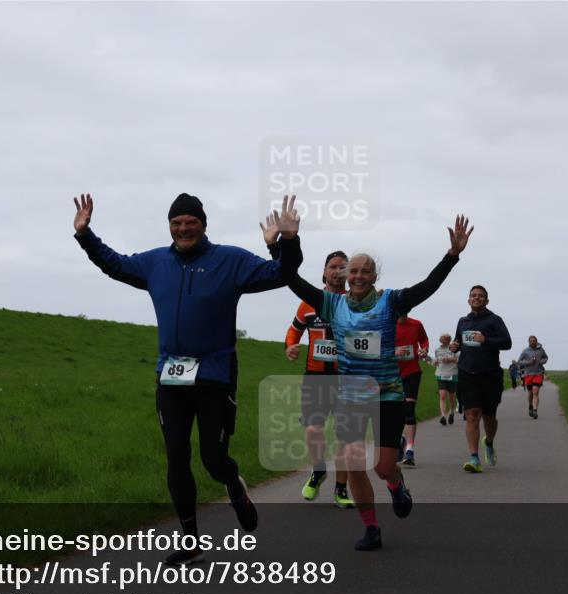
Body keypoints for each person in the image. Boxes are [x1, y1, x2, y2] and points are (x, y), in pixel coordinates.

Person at [73, 192, 303, 566]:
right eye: (176, 223)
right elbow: (114, 264)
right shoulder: (155, 263)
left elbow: (281, 274)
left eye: (190, 222)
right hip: (171, 377)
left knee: (214, 459)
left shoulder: (229, 260)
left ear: (203, 225)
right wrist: (85, 235)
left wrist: (287, 243)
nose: (183, 228)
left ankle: (233, 483)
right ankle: (190, 538)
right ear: (170, 227)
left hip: (215, 375)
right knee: (176, 457)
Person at [283, 213, 473, 551]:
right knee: (354, 464)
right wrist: (284, 243)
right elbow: (293, 281)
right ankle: (371, 528)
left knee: (384, 466)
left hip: (387, 395)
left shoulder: (391, 300)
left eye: (364, 271)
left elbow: (427, 287)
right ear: (344, 276)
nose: (357, 276)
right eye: (351, 271)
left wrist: (452, 256)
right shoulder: (332, 303)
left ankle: (397, 485)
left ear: (374, 276)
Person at [285, 251, 355, 508]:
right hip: (315, 376)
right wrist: (290, 347)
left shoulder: (356, 302)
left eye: (343, 267)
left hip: (347, 377)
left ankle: (341, 489)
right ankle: (318, 469)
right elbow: (294, 331)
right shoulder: (308, 303)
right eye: (333, 267)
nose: (338, 271)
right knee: (313, 429)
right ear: (324, 271)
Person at [452, 286, 512, 473]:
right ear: (468, 300)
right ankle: (474, 458)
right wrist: (455, 346)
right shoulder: (463, 321)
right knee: (472, 414)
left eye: (480, 296)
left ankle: (489, 441)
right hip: (467, 374)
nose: (476, 298)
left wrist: (486, 340)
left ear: (487, 300)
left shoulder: (494, 320)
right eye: (473, 296)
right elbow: (458, 342)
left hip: (490, 374)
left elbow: (507, 343)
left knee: (489, 417)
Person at [395, 314, 429, 466]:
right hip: (391, 373)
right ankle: (399, 440)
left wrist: (424, 349)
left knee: (409, 410)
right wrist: (392, 352)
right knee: (395, 412)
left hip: (412, 372)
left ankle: (410, 450)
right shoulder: (387, 323)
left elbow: (424, 339)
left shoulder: (416, 324)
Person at [518, 335, 549, 418]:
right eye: (531, 341)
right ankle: (530, 406)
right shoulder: (525, 351)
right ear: (529, 342)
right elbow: (519, 361)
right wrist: (529, 362)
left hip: (538, 373)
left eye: (534, 340)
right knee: (530, 393)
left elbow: (546, 357)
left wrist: (541, 361)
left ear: (536, 341)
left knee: (535, 391)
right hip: (528, 374)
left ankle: (535, 410)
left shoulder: (541, 350)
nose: (532, 342)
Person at [433, 333, 459, 425]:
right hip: (441, 374)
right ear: (440, 340)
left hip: (453, 374)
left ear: (449, 340)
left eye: (447, 339)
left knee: (452, 397)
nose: (445, 341)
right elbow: (435, 362)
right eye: (443, 339)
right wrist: (435, 362)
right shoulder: (437, 350)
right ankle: (443, 416)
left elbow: (460, 361)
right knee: (443, 395)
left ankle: (451, 413)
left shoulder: (455, 349)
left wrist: (451, 360)